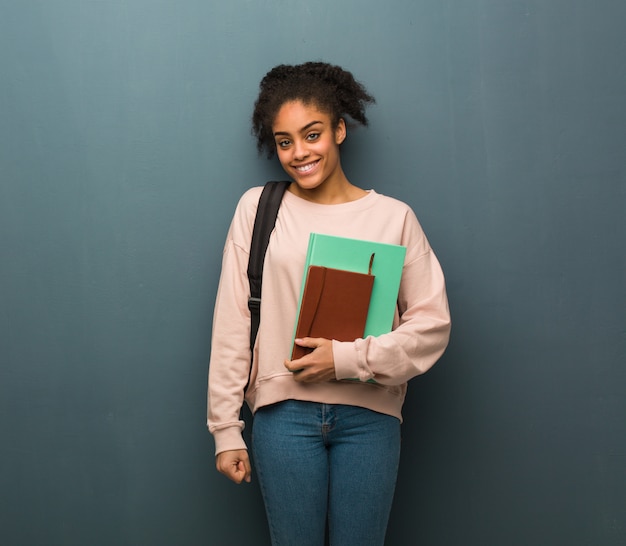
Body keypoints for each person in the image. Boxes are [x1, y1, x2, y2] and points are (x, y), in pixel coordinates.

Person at [207, 61, 451, 546]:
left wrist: (345, 359)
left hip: (370, 416)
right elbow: (233, 321)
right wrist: (225, 429)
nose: (299, 153)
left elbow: (432, 326)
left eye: (312, 134)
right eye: (284, 141)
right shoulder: (258, 209)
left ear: (339, 129)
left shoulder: (393, 218)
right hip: (283, 415)